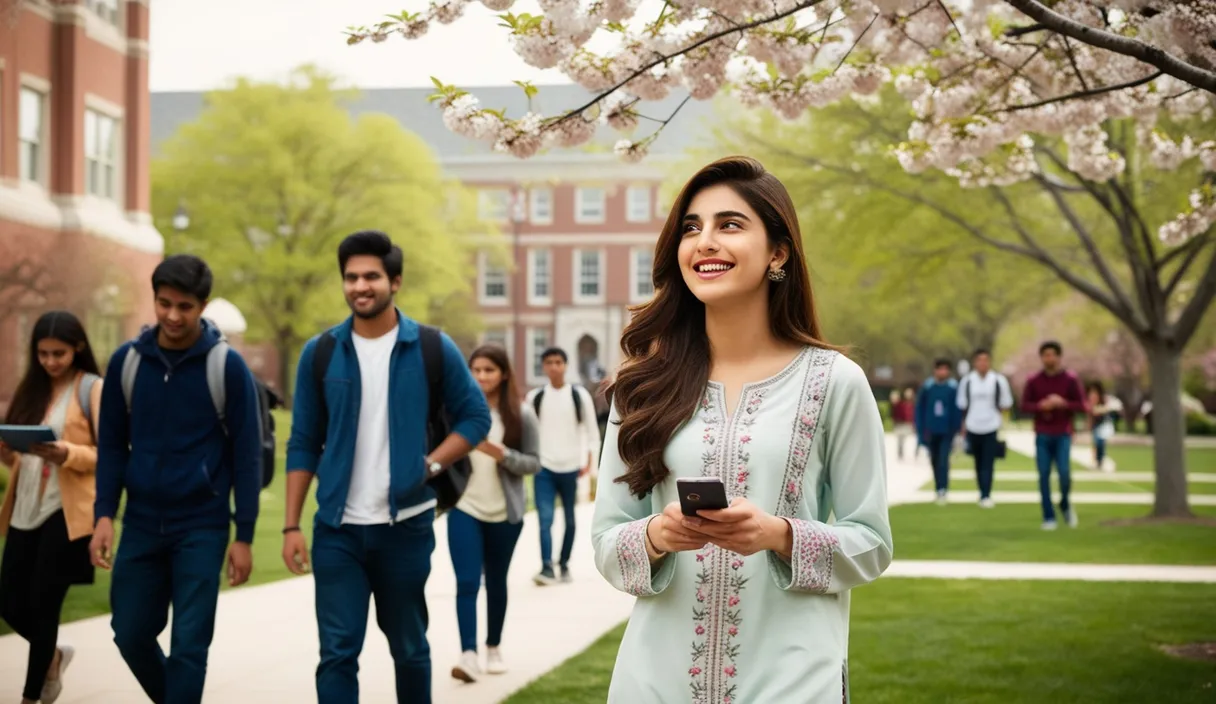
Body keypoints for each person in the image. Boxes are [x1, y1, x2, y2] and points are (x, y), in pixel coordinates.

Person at [591, 156, 893, 702]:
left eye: (729, 225)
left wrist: (778, 534)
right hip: (654, 681)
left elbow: (871, 544)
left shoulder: (834, 382)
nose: (704, 241)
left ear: (778, 252)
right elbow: (607, 543)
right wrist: (658, 535)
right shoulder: (642, 386)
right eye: (691, 227)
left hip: (793, 679)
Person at [283, 230, 490, 704]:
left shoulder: (432, 347)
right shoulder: (321, 353)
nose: (360, 286)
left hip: (406, 527)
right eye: (351, 277)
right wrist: (291, 524)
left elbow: (475, 417)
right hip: (337, 529)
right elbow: (302, 442)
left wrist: (432, 465)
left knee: (410, 648)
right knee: (337, 652)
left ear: (394, 281)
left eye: (371, 276)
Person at [90, 255, 263, 704]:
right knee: (129, 633)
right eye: (163, 303)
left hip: (201, 527)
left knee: (190, 646)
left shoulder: (226, 367)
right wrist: (104, 513)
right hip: (143, 524)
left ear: (202, 306)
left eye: (184, 306)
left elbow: (246, 458)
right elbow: (110, 446)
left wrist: (243, 534)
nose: (171, 315)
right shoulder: (127, 364)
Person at [0, 311, 102, 704]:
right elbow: (24, 460)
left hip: (66, 510)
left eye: (58, 353)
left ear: (77, 348)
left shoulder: (92, 389)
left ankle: (32, 697)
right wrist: (9, 452)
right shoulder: (31, 391)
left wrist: (66, 453)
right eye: (42, 353)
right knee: (9, 600)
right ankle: (54, 656)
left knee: (44, 605)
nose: (50, 361)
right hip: (26, 505)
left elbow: (111, 453)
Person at [448, 345, 541, 683]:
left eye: (489, 370)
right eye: (476, 370)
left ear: (503, 373)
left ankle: (493, 647)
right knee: (467, 581)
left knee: (497, 581)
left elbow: (533, 462)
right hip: (465, 507)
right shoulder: (457, 411)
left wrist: (500, 453)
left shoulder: (522, 414)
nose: (481, 376)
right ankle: (468, 654)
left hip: (506, 511)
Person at [525, 347, 600, 586]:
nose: (554, 367)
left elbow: (592, 432)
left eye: (558, 362)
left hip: (572, 468)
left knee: (569, 520)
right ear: (543, 366)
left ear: (565, 365)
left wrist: (590, 462)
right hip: (543, 467)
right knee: (545, 519)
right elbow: (528, 434)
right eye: (549, 362)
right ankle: (546, 566)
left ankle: (564, 563)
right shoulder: (534, 398)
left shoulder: (579, 396)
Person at [1020, 341, 1088, 530]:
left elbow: (1082, 406)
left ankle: (1065, 504)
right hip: (1042, 433)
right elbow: (1024, 406)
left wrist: (1063, 403)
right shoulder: (1033, 380)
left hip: (1063, 433)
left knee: (1064, 473)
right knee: (1043, 475)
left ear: (1059, 357)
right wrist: (1040, 406)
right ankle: (1048, 516)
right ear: (1041, 357)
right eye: (1045, 355)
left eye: (1052, 355)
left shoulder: (1070, 379)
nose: (1049, 358)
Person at [957, 348, 1014, 508]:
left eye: (985, 360)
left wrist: (1000, 419)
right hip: (973, 425)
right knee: (978, 461)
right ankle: (981, 490)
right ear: (975, 362)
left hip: (991, 426)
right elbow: (962, 404)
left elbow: (1006, 403)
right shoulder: (967, 381)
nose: (982, 363)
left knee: (988, 462)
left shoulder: (998, 380)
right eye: (979, 360)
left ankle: (986, 494)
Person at [915, 359, 961, 505]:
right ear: (935, 370)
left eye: (945, 369)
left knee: (943, 459)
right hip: (931, 430)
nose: (942, 372)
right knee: (934, 460)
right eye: (940, 369)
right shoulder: (928, 387)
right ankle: (937, 487)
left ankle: (943, 489)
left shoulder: (953, 388)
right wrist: (921, 430)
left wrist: (956, 429)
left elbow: (957, 410)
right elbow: (920, 410)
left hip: (946, 431)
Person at [1086, 381, 1116, 473]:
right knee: (1096, 442)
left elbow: (1108, 409)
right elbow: (1090, 413)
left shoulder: (1104, 399)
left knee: (1101, 443)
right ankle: (1097, 461)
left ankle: (1100, 461)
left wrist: (1099, 410)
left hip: (1103, 424)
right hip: (1096, 425)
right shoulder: (1091, 400)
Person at [890, 387, 916, 460]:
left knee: (903, 439)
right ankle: (900, 453)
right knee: (900, 440)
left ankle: (903, 452)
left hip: (905, 424)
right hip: (899, 424)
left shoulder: (908, 404)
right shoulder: (897, 406)